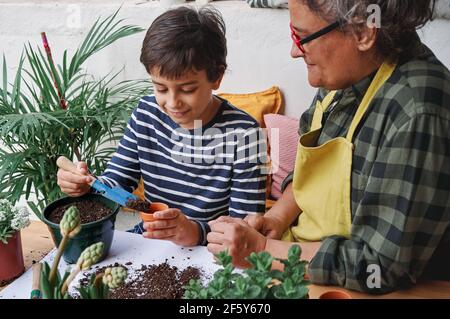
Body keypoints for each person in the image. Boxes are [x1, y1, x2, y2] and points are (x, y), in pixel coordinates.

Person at [207, 0, 449, 293]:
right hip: (306, 261)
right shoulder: (347, 71)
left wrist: (261, 250)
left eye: (302, 36)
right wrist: (276, 217)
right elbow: (313, 176)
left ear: (363, 32)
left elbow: (379, 267)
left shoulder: (418, 109)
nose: (295, 50)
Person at [57, 7, 267, 247]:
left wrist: (195, 232)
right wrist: (87, 185)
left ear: (217, 76)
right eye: (160, 88)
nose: (172, 102)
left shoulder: (246, 134)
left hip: (213, 251)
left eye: (187, 89)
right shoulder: (147, 113)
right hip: (150, 241)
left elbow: (245, 225)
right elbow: (118, 179)